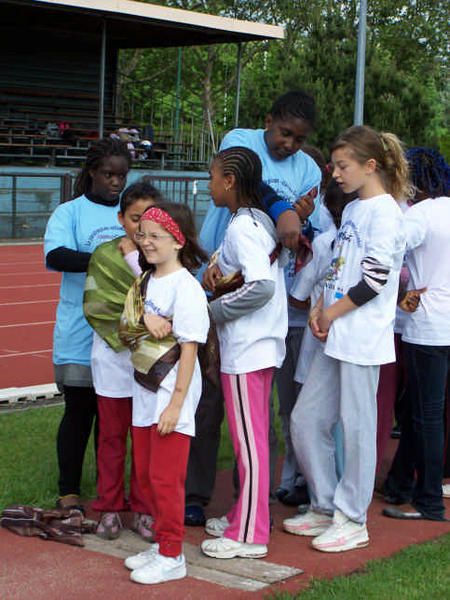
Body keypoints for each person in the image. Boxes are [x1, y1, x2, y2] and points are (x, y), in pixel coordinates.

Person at [185, 89, 321, 526]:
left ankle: (251, 502)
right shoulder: (238, 139)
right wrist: (284, 209)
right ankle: (196, 493)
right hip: (216, 277)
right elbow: (250, 183)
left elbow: (303, 232)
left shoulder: (308, 168)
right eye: (284, 133)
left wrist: (300, 221)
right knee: (207, 401)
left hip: (257, 306)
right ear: (268, 120)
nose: (290, 145)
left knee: (255, 413)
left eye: (299, 139)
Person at [283, 125, 409, 552]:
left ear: (370, 165)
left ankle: (353, 519)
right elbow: (339, 267)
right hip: (335, 333)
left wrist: (331, 314)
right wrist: (320, 306)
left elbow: (374, 280)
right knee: (305, 420)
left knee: (357, 429)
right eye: (334, 166)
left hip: (362, 338)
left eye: (342, 166)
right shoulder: (354, 210)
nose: (334, 174)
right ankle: (324, 504)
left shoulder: (388, 213)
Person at [200, 146, 288, 559]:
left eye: (214, 176)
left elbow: (261, 286)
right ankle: (247, 515)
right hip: (260, 344)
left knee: (249, 445)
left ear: (230, 181)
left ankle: (250, 534)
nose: (209, 184)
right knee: (251, 440)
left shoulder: (242, 228)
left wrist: (213, 311)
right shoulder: (255, 221)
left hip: (248, 346)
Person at [121, 203, 209, 585]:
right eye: (143, 235)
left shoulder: (186, 287)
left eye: (156, 236)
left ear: (178, 240)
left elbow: (190, 349)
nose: (147, 243)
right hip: (144, 389)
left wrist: (176, 405)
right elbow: (126, 323)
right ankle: (161, 543)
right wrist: (143, 319)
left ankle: (173, 555)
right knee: (144, 474)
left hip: (171, 393)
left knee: (165, 478)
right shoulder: (145, 281)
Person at [44, 138, 131, 512]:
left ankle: (108, 494)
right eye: (108, 174)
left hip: (125, 335)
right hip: (80, 332)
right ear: (92, 172)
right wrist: (108, 258)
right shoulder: (70, 212)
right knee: (79, 413)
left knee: (112, 421)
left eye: (122, 175)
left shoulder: (131, 213)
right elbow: (56, 254)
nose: (115, 182)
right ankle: (68, 492)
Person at [83, 179, 163, 540]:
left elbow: (167, 304)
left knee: (146, 441)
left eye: (149, 219)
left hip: (151, 363)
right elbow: (98, 307)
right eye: (134, 219)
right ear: (121, 219)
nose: (141, 228)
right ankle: (110, 508)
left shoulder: (166, 258)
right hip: (113, 360)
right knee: (112, 439)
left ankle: (145, 510)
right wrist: (135, 330)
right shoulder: (103, 256)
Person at [382, 147, 450, 521]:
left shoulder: (419, 214)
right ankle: (404, 483)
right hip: (444, 321)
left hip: (428, 325)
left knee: (426, 415)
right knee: (423, 411)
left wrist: (399, 294)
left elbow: (389, 250)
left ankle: (427, 501)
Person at [288, 180, 357, 487]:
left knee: (313, 420)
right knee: (338, 422)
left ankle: (314, 486)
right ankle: (331, 490)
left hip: (323, 341)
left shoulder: (326, 242)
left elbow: (297, 295)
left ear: (327, 208)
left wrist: (317, 308)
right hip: (341, 339)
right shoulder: (344, 241)